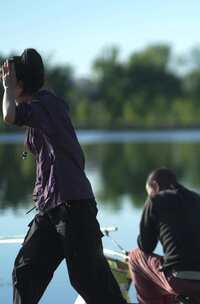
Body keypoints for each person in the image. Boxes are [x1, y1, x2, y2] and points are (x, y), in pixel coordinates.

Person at [2, 49, 127, 304]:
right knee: (25, 271)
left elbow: (8, 115)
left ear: (20, 84)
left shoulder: (45, 105)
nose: (4, 84)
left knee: (88, 280)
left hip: (73, 209)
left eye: (8, 80)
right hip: (50, 210)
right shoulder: (42, 108)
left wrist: (7, 87)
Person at [128, 168, 200, 304]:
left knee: (135, 257)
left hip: (181, 279)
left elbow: (146, 246)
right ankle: (199, 295)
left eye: (149, 192)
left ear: (154, 186)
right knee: (185, 266)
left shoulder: (155, 200)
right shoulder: (199, 200)